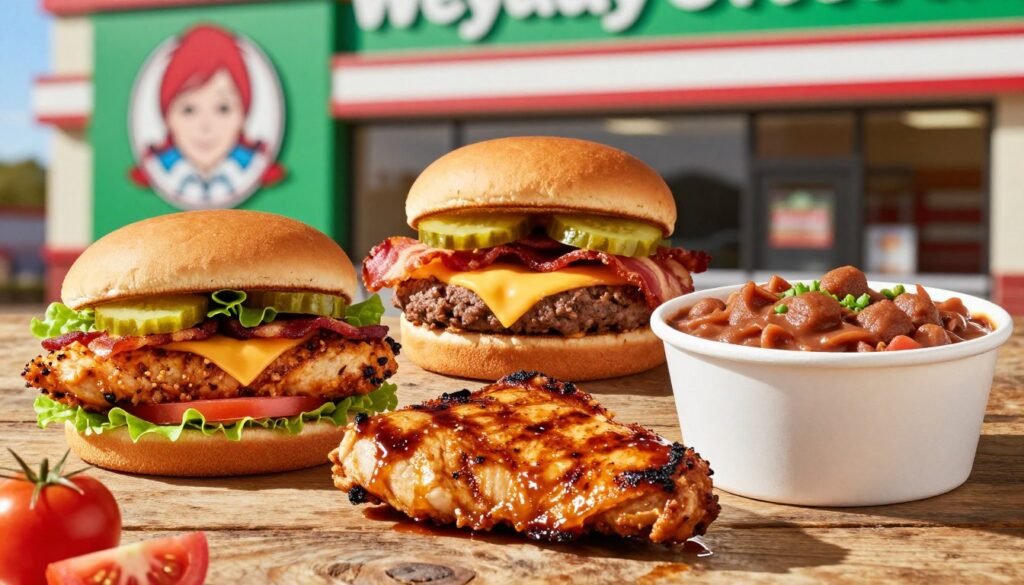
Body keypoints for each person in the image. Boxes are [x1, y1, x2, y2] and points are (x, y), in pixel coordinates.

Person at [130, 25, 284, 206]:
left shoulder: (254, 165)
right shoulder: (159, 169)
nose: (205, 126)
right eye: (188, 110)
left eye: (223, 109)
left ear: (243, 116)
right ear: (167, 118)